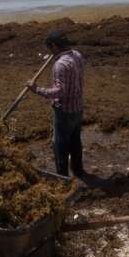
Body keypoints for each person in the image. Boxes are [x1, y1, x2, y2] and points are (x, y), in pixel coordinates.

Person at [27, 31, 86, 177]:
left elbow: (60, 92)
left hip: (64, 110)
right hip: (78, 107)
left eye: (50, 47)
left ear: (54, 45)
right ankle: (78, 170)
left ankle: (62, 176)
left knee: (60, 144)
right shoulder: (77, 55)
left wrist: (36, 89)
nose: (50, 51)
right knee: (75, 140)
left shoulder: (59, 65)